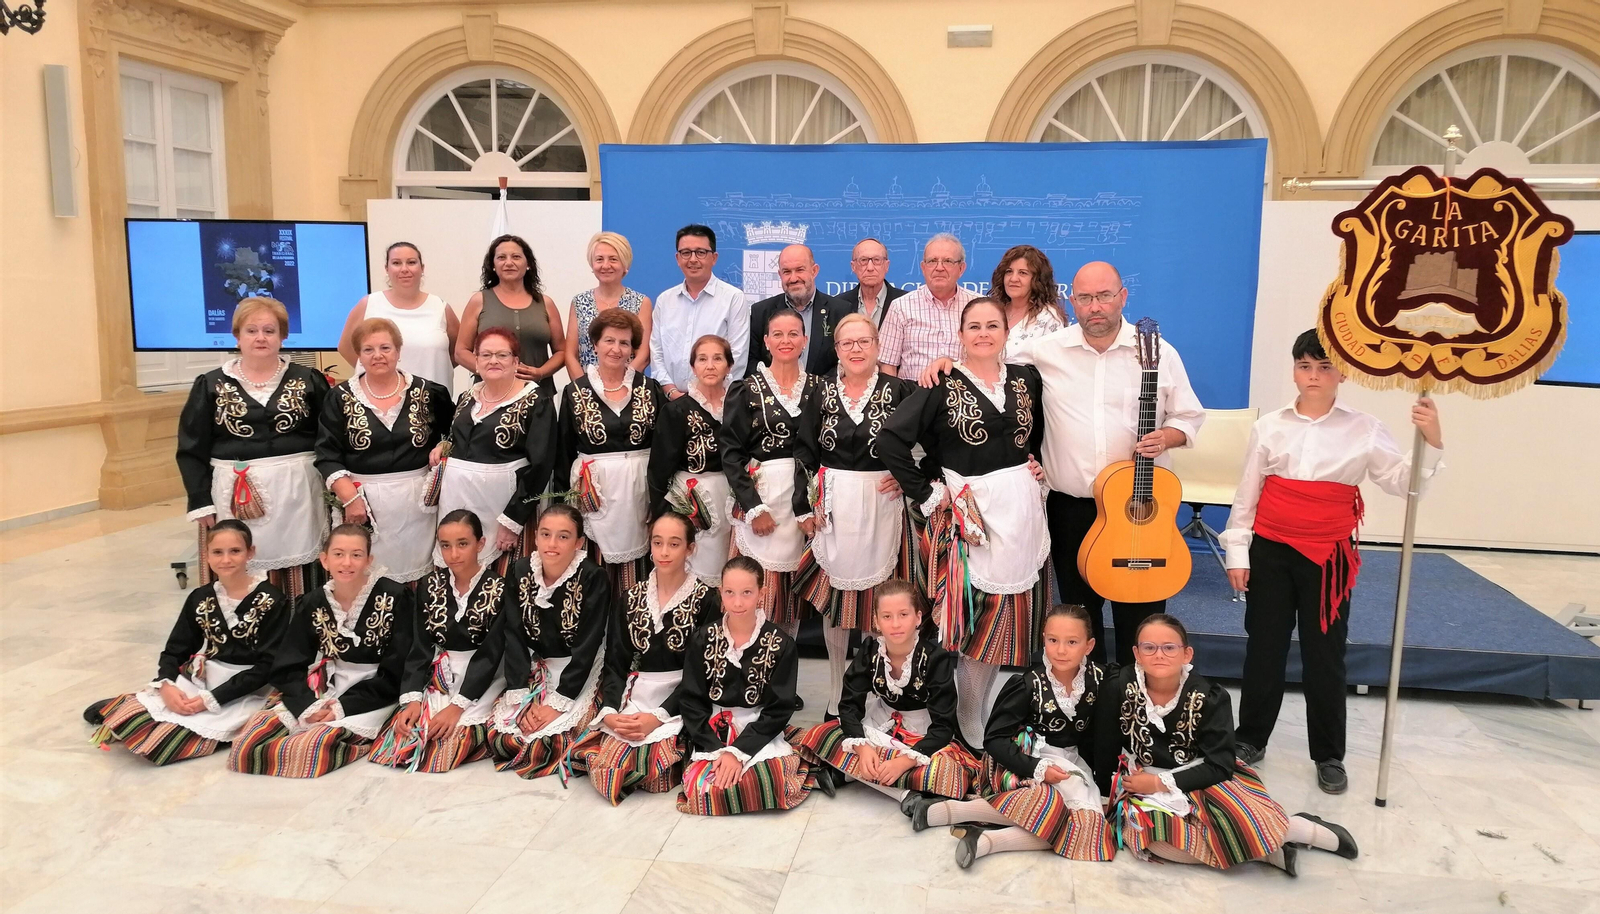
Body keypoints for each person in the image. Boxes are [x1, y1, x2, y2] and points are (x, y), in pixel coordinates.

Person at [1223, 329, 1445, 795]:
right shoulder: (1270, 427)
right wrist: (1237, 552)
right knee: (1264, 648)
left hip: (1329, 556)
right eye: (1305, 366)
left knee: (1326, 654)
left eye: (1325, 367)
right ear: (1294, 370)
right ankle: (1249, 739)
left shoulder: (1363, 428)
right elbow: (1247, 496)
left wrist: (1431, 440)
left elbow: (1407, 484)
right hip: (1271, 549)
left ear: (1342, 372)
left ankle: (1328, 753)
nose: (1314, 376)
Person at [1009, 261, 1206, 665]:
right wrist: (944, 364)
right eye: (1084, 298)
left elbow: (1189, 418)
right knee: (1080, 620)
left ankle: (1137, 707)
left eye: (1104, 296)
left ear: (1123, 297)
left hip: (1139, 512)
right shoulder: (1045, 351)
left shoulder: (1158, 353)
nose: (1094, 306)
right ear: (1071, 301)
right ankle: (1086, 707)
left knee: (1143, 619)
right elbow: (987, 363)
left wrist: (1167, 436)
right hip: (1072, 508)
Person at [880, 297, 1048, 748]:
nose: (983, 334)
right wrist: (928, 492)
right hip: (969, 516)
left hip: (1020, 514)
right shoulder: (942, 382)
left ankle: (977, 709)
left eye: (992, 325)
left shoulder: (1026, 379)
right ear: (959, 334)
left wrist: (1036, 466)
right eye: (973, 326)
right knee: (974, 623)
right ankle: (964, 717)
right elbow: (891, 440)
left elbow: (1038, 439)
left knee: (1003, 623)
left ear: (1006, 332)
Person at [1094, 614, 1360, 875]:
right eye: (1149, 648)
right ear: (1136, 653)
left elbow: (1219, 765)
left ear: (1187, 654)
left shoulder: (1209, 696)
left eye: (1169, 647)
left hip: (1202, 778)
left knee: (1231, 819)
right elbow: (1106, 744)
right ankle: (1269, 851)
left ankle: (1302, 828)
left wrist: (1159, 783)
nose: (1158, 655)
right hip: (1142, 781)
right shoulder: (1119, 685)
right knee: (1153, 840)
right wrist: (1107, 795)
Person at [908, 604, 1113, 867]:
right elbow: (994, 740)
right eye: (1053, 640)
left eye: (1072, 642)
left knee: (1090, 829)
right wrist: (1038, 768)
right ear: (1044, 641)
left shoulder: (1101, 680)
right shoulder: (1028, 683)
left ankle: (983, 839)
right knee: (1053, 808)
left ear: (1089, 645)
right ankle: (947, 812)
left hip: (1072, 764)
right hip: (1023, 761)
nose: (1061, 650)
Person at [792, 313, 918, 717]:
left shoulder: (901, 390)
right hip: (835, 508)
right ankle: (834, 693)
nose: (856, 350)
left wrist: (907, 477)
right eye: (847, 344)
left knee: (877, 606)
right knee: (837, 606)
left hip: (883, 506)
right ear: (837, 350)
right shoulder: (822, 391)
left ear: (878, 346)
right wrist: (803, 506)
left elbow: (935, 443)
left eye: (864, 342)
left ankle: (873, 694)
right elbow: (805, 450)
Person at [84, 520, 291, 765]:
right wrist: (167, 685)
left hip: (252, 687)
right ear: (206, 556)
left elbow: (267, 666)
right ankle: (135, 705)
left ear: (250, 553)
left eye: (235, 551)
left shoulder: (273, 600)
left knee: (166, 742)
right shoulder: (200, 597)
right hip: (207, 677)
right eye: (217, 552)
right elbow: (175, 650)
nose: (226, 560)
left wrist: (210, 699)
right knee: (138, 715)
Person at [228, 524, 415, 777]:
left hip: (377, 691)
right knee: (247, 744)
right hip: (327, 686)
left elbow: (398, 666)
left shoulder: (395, 596)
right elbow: (288, 663)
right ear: (324, 560)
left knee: (311, 748)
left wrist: (341, 707)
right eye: (338, 554)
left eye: (356, 555)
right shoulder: (314, 602)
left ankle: (355, 740)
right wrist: (308, 704)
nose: (347, 563)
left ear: (369, 560)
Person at [177, 296, 330, 599]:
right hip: (233, 495)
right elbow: (191, 446)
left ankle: (297, 630)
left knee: (302, 568)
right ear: (237, 336)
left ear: (283, 336)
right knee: (237, 561)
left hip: (298, 495)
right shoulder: (210, 385)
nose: (261, 337)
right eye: (251, 330)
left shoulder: (309, 380)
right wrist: (199, 500)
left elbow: (329, 436)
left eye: (269, 330)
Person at [571, 511, 722, 804]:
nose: (664, 552)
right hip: (636, 695)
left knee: (657, 769)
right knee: (607, 766)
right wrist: (612, 712)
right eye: (657, 542)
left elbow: (706, 672)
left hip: (685, 698)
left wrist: (658, 717)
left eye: (674, 544)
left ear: (691, 548)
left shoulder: (707, 600)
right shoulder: (630, 597)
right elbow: (616, 663)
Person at [793, 580, 977, 809]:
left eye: (903, 614)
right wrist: (862, 746)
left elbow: (943, 726)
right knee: (820, 733)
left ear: (918, 618)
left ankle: (847, 775)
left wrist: (906, 761)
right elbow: (849, 707)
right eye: (887, 616)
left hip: (922, 733)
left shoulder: (935, 658)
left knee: (948, 771)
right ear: (876, 621)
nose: (896, 624)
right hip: (881, 722)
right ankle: (904, 791)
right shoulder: (870, 652)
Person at [315, 318, 454, 584]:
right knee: (368, 580)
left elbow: (454, 434)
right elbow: (326, 453)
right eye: (368, 349)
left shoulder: (429, 392)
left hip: (418, 507)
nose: (378, 355)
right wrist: (350, 499)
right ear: (359, 355)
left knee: (416, 578)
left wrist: (443, 445)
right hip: (364, 505)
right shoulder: (340, 397)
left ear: (398, 351)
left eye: (385, 348)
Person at [368, 510, 507, 773]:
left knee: (445, 745)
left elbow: (492, 653)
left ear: (481, 543)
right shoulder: (428, 585)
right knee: (400, 741)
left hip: (482, 677)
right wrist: (411, 699)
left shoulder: (499, 588)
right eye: (446, 545)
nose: (453, 554)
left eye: (463, 544)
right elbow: (420, 646)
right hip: (439, 674)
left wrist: (457, 707)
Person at [675, 556, 811, 815]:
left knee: (774, 783)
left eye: (747, 592)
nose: (737, 602)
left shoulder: (781, 644)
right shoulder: (703, 639)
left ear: (762, 592)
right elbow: (691, 700)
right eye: (730, 593)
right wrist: (717, 749)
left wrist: (739, 751)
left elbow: (779, 708)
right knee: (701, 789)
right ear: (721, 592)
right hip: (712, 730)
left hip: (759, 728)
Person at [486, 505, 610, 779]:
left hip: (578, 669)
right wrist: (520, 693)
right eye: (545, 534)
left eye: (563, 537)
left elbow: (589, 644)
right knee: (505, 736)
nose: (552, 544)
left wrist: (559, 701)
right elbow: (514, 634)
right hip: (537, 667)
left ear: (579, 543)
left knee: (553, 741)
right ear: (536, 538)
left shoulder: (592, 577)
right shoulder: (520, 570)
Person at [720, 308, 822, 629]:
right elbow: (731, 453)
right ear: (765, 341)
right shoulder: (746, 389)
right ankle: (747, 670)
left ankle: (781, 674)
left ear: (805, 340)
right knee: (751, 594)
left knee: (789, 601)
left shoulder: (820, 388)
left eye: (793, 333)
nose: (785, 340)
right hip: (761, 498)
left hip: (805, 500)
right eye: (777, 334)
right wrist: (753, 507)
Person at [557, 309, 664, 599]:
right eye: (609, 341)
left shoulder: (650, 388)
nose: (616, 349)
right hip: (595, 492)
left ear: (633, 349)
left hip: (639, 491)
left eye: (625, 343)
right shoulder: (574, 391)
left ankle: (632, 634)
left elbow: (664, 449)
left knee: (638, 575)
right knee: (594, 569)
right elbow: (564, 451)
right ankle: (596, 636)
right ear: (595, 344)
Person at [430, 327, 558, 571]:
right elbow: (460, 438)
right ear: (476, 362)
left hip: (502, 508)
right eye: (486, 355)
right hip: (456, 502)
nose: (494, 361)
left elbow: (541, 465)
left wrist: (513, 520)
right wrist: (444, 445)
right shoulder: (468, 396)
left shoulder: (536, 401)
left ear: (516, 362)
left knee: (501, 576)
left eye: (502, 355)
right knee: (458, 570)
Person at [648, 335, 734, 583]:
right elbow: (659, 469)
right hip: (691, 497)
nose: (710, 365)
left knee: (726, 570)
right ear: (692, 365)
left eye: (718, 358)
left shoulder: (739, 405)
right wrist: (663, 516)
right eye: (702, 359)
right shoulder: (676, 410)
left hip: (730, 497)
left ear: (729, 366)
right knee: (693, 566)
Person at [338, 242, 458, 391]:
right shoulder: (368, 304)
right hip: (379, 403)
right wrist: (376, 370)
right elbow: (345, 347)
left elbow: (458, 352)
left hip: (432, 403)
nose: (404, 269)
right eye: (396, 263)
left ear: (422, 268)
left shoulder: (440, 307)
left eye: (411, 262)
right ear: (386, 269)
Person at [457, 234, 566, 398]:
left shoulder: (546, 303)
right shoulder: (479, 301)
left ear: (528, 264)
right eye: (501, 257)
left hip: (538, 396)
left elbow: (562, 352)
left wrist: (541, 372)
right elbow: (460, 351)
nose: (509, 263)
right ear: (493, 265)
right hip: (490, 396)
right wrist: (488, 370)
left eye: (516, 257)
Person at [651, 224, 750, 397]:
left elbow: (737, 357)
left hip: (717, 403)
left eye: (701, 252)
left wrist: (705, 397)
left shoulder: (733, 298)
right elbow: (657, 354)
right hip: (670, 402)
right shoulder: (664, 300)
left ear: (714, 258)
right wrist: (671, 392)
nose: (693, 259)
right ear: (677, 258)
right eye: (686, 253)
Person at [877, 234, 978, 381]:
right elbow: (888, 365)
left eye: (948, 261)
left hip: (967, 397)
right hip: (914, 396)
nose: (939, 268)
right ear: (923, 268)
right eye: (932, 261)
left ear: (961, 268)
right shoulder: (900, 307)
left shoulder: (978, 306)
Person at [746, 244, 856, 377]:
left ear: (814, 271)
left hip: (824, 393)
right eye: (787, 272)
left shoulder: (840, 311)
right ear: (780, 275)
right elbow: (750, 362)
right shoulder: (761, 311)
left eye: (800, 270)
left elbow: (846, 359)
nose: (793, 278)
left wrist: (817, 388)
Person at [565, 231, 653, 377]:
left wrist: (620, 386)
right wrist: (583, 388)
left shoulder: (641, 302)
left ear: (625, 264)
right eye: (599, 259)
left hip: (627, 389)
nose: (606, 265)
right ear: (592, 265)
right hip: (585, 392)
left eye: (613, 259)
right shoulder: (579, 302)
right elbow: (570, 355)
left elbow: (643, 355)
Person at [991, 245, 1066, 359]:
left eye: (1023, 273)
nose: (1013, 278)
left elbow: (1055, 366)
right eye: (1009, 271)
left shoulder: (1048, 318)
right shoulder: (993, 311)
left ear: (1037, 280)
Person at [837, 238, 909, 328]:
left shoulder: (906, 303)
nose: (870, 268)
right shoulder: (839, 305)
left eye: (877, 260)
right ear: (853, 266)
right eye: (863, 260)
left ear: (887, 266)